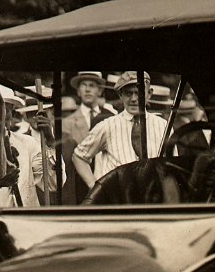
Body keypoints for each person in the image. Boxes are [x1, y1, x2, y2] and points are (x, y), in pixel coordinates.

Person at [72, 71, 168, 190]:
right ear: (120, 95)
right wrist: (95, 188)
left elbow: (171, 166)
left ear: (149, 94)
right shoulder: (108, 126)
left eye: (138, 93)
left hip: (152, 198)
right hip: (117, 201)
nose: (133, 99)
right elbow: (79, 156)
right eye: (128, 93)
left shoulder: (163, 126)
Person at [61, 71, 113, 203]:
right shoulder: (67, 123)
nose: (88, 89)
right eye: (83, 85)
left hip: (108, 180)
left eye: (92, 85)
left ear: (100, 91)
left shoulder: (112, 117)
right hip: (79, 185)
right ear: (78, 91)